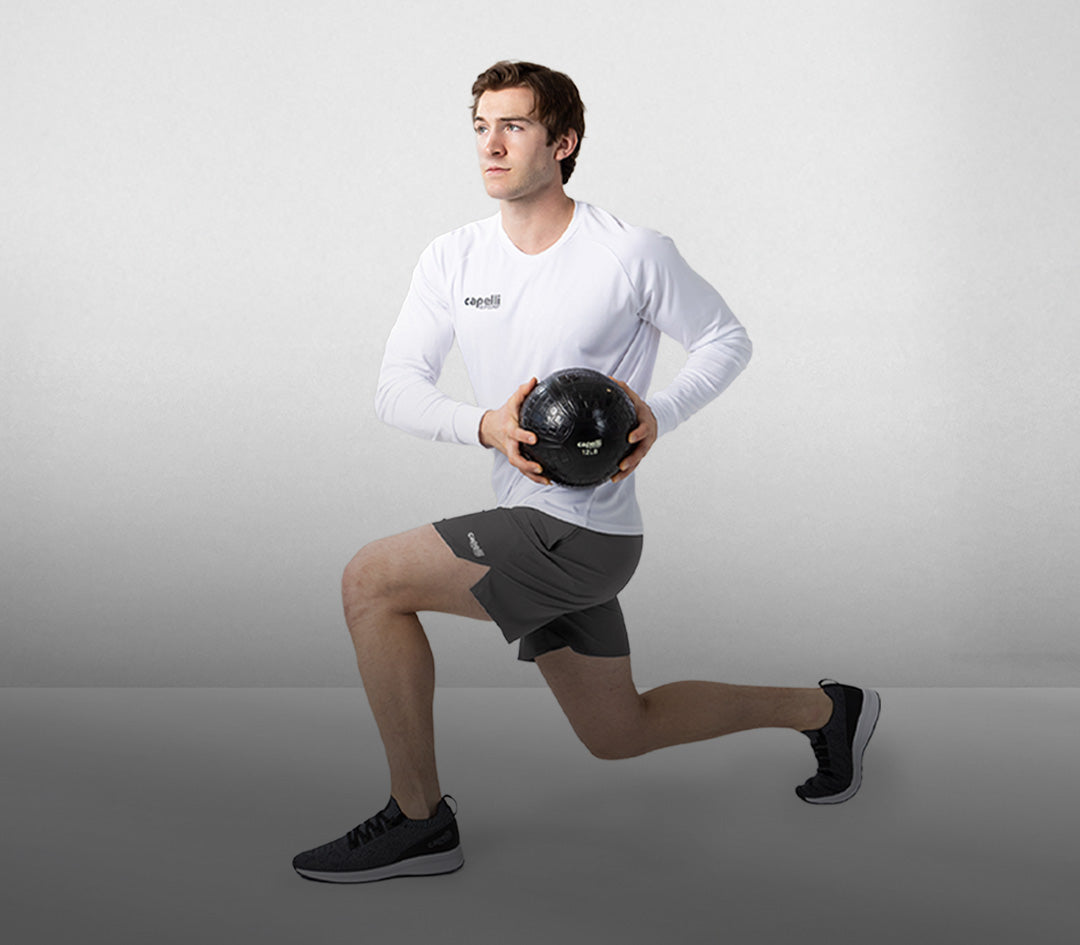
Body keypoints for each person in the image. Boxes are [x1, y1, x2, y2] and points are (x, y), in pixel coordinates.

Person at [292, 60, 880, 884]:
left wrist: (658, 414)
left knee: (370, 581)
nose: (490, 145)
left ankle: (419, 819)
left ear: (562, 142)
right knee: (619, 731)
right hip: (558, 533)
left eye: (514, 126)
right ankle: (825, 708)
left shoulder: (630, 252)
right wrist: (485, 426)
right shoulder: (453, 258)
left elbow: (725, 338)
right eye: (480, 126)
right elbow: (394, 390)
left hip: (578, 528)